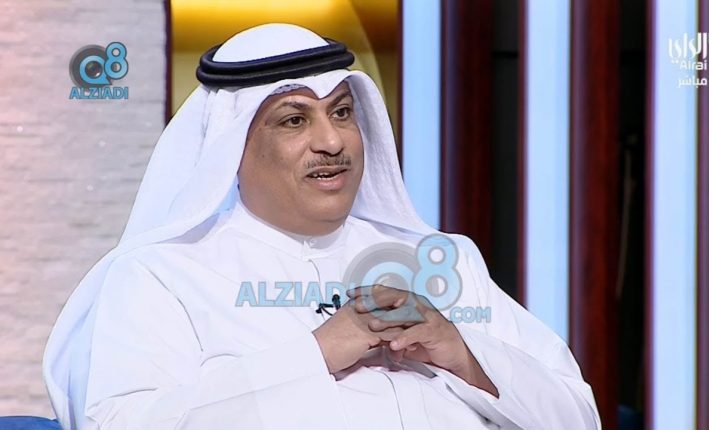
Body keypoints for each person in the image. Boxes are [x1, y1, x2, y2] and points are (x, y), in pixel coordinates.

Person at [43, 23, 600, 430]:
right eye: (294, 120)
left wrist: (463, 353)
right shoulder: (162, 275)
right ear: (230, 147)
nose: (332, 141)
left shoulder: (441, 259)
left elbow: (579, 417)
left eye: (341, 112)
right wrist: (317, 354)